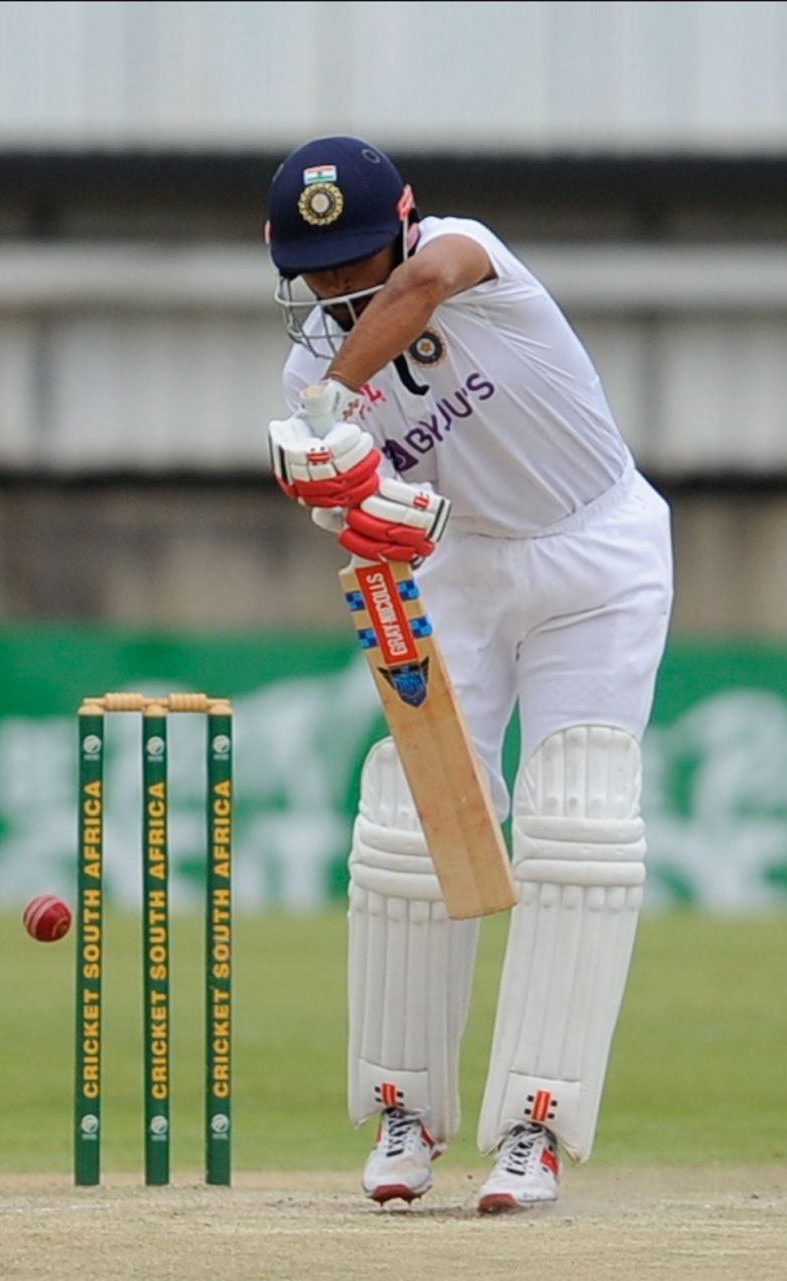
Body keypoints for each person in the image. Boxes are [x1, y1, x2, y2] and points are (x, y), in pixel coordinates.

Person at [263, 137, 674, 1213]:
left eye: (358, 259)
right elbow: (355, 515)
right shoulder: (308, 368)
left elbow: (426, 283)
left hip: (600, 553)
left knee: (577, 819)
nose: (343, 288)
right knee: (407, 817)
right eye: (321, 272)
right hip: (462, 571)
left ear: (399, 225)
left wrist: (332, 404)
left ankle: (534, 1127)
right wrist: (348, 496)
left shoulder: (461, 253)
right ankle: (406, 1112)